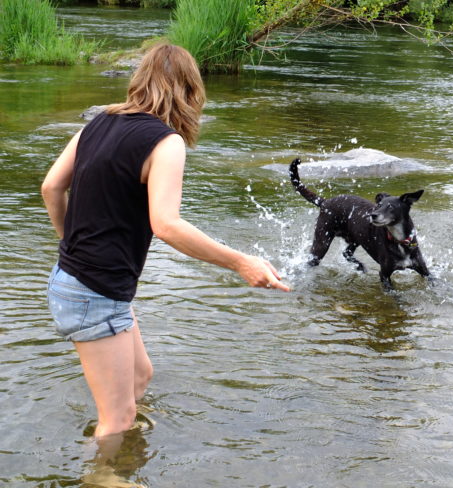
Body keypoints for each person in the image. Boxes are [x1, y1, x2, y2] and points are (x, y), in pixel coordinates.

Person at [41, 43, 291, 439]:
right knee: (118, 420)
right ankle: (103, 476)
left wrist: (70, 244)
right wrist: (241, 262)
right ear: (191, 92)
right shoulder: (165, 141)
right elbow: (167, 225)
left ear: (140, 79)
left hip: (78, 282)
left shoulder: (99, 121)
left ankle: (129, 452)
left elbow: (51, 187)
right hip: (94, 290)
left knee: (142, 376)